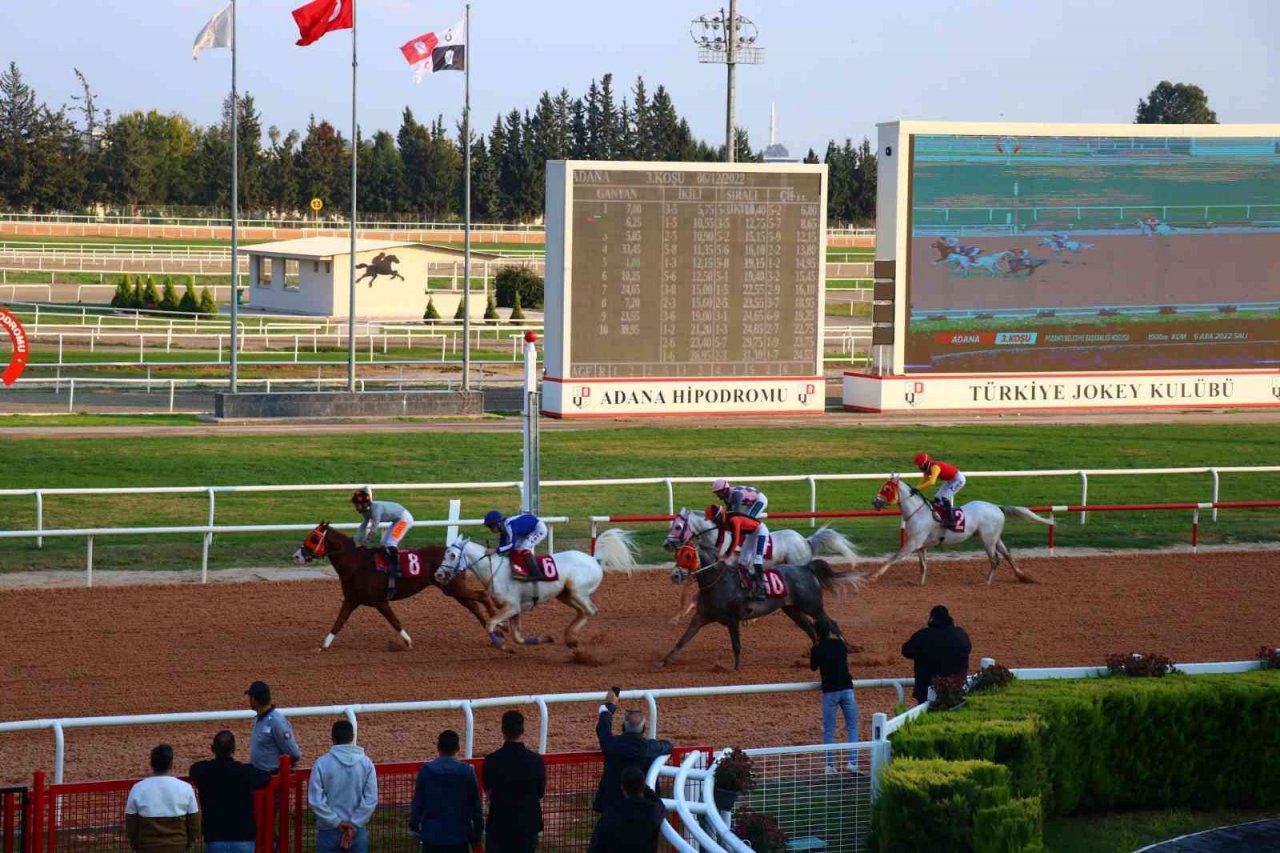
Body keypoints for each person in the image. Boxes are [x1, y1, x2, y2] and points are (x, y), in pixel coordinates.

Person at [593, 688, 673, 815]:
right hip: (643, 810)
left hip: (613, 808)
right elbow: (669, 745)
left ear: (623, 727)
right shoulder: (651, 748)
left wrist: (609, 707)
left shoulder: (612, 744)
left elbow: (603, 728)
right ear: (644, 728)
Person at [188, 730, 271, 853]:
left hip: (215, 838)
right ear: (234, 749)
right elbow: (265, 777)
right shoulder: (246, 772)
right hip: (243, 837)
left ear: (212, 749)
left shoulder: (204, 771)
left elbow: (194, 769)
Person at [309, 719, 378, 853]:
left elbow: (316, 800)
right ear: (352, 737)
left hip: (328, 830)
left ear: (332, 738)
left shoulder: (322, 763)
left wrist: (336, 822)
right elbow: (371, 799)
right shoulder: (366, 763)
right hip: (357, 830)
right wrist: (354, 823)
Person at [482, 710, 546, 853]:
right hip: (527, 828)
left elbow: (488, 792)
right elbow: (540, 793)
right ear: (522, 730)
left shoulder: (492, 760)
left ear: (502, 730)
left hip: (500, 827)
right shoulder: (536, 760)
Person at [409, 729, 483, 853]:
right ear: (458, 748)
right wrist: (477, 835)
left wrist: (413, 827)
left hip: (432, 838)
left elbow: (418, 803)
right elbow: (476, 807)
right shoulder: (467, 771)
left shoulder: (426, 770)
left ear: (438, 747)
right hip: (459, 838)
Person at [125, 743, 201, 853]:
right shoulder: (186, 788)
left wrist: (138, 846)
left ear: (151, 764)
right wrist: (185, 845)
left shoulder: (138, 789)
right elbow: (194, 825)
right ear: (171, 764)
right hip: (178, 847)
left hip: (147, 848)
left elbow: (131, 826)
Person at [809, 617, 858, 774]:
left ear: (817, 632)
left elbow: (813, 667)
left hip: (830, 691)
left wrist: (815, 647)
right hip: (847, 689)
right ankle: (852, 762)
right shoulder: (839, 644)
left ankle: (830, 765)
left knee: (829, 729)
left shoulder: (817, 648)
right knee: (852, 727)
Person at [902, 605, 972, 705]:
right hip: (956, 691)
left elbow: (906, 651)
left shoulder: (922, 636)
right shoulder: (961, 635)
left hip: (926, 692)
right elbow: (968, 648)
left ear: (932, 619)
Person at [711, 478, 770, 596]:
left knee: (746, 519)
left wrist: (728, 552)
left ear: (725, 489)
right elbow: (729, 512)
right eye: (716, 493)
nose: (718, 495)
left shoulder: (736, 495)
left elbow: (735, 513)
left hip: (759, 500)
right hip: (751, 502)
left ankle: (762, 586)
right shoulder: (727, 496)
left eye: (719, 492)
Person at [587, 765, 665, 853]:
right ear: (643, 786)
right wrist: (643, 786)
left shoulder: (609, 815)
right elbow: (659, 802)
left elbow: (594, 848)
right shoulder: (652, 812)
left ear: (622, 788)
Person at [352, 487, 415, 596]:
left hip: (404, 518)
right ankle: (389, 564)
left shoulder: (376, 509)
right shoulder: (366, 511)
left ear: (365, 504)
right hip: (397, 519)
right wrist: (356, 540)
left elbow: (374, 528)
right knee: (384, 541)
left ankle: (396, 569)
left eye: (357, 504)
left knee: (391, 542)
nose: (356, 507)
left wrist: (365, 542)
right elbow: (363, 526)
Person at [245, 681, 302, 773]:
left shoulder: (277, 721)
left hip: (272, 778)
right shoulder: (259, 719)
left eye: (250, 697)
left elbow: (294, 753)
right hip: (261, 776)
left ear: (254, 699)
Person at [483, 510, 548, 580]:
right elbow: (502, 545)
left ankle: (536, 573)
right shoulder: (503, 527)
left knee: (524, 547)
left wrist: (495, 550)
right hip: (526, 530)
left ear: (498, 524)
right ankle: (521, 568)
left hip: (538, 528)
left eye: (490, 526)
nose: (490, 529)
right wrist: (497, 550)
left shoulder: (509, 526)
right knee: (516, 547)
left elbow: (511, 545)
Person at [913, 452, 965, 529]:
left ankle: (951, 521)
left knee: (944, 498)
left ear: (925, 463)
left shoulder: (935, 467)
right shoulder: (927, 469)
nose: (918, 467)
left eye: (919, 465)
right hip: (950, 480)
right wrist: (915, 488)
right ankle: (941, 517)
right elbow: (924, 480)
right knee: (937, 498)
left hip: (958, 479)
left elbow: (931, 482)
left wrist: (917, 488)